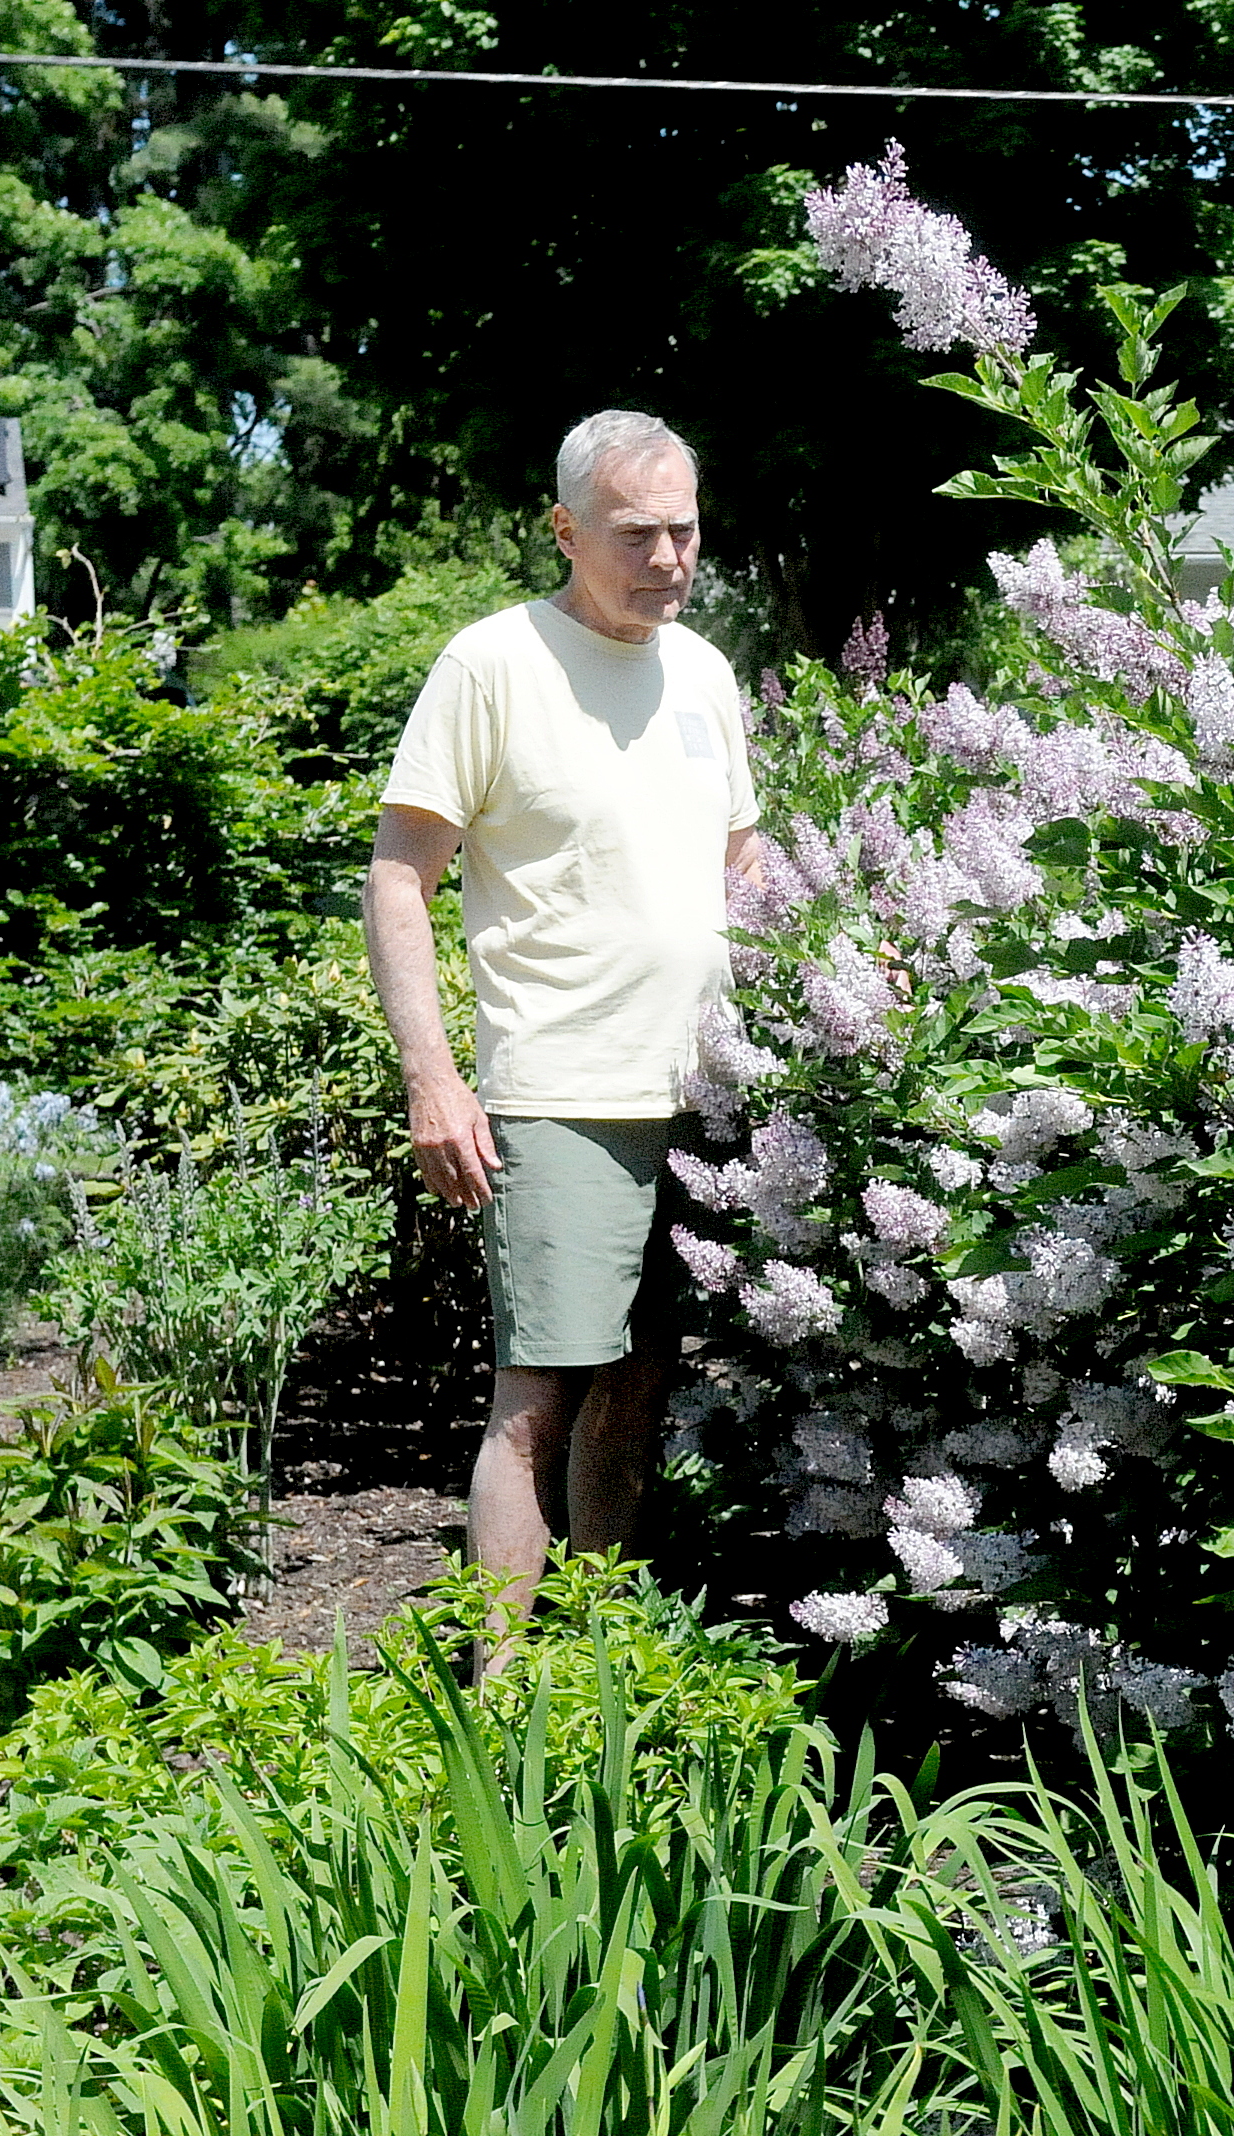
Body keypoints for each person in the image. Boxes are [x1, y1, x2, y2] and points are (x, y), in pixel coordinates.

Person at [361, 409, 760, 1651]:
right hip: (561, 1093)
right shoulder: (492, 665)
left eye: (684, 530)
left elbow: (745, 861)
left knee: (636, 1396)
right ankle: (500, 1704)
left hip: (703, 1092)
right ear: (565, 530)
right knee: (537, 1404)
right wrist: (435, 1078)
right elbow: (396, 879)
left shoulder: (702, 672)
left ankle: (598, 1676)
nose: (668, 558)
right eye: (637, 533)